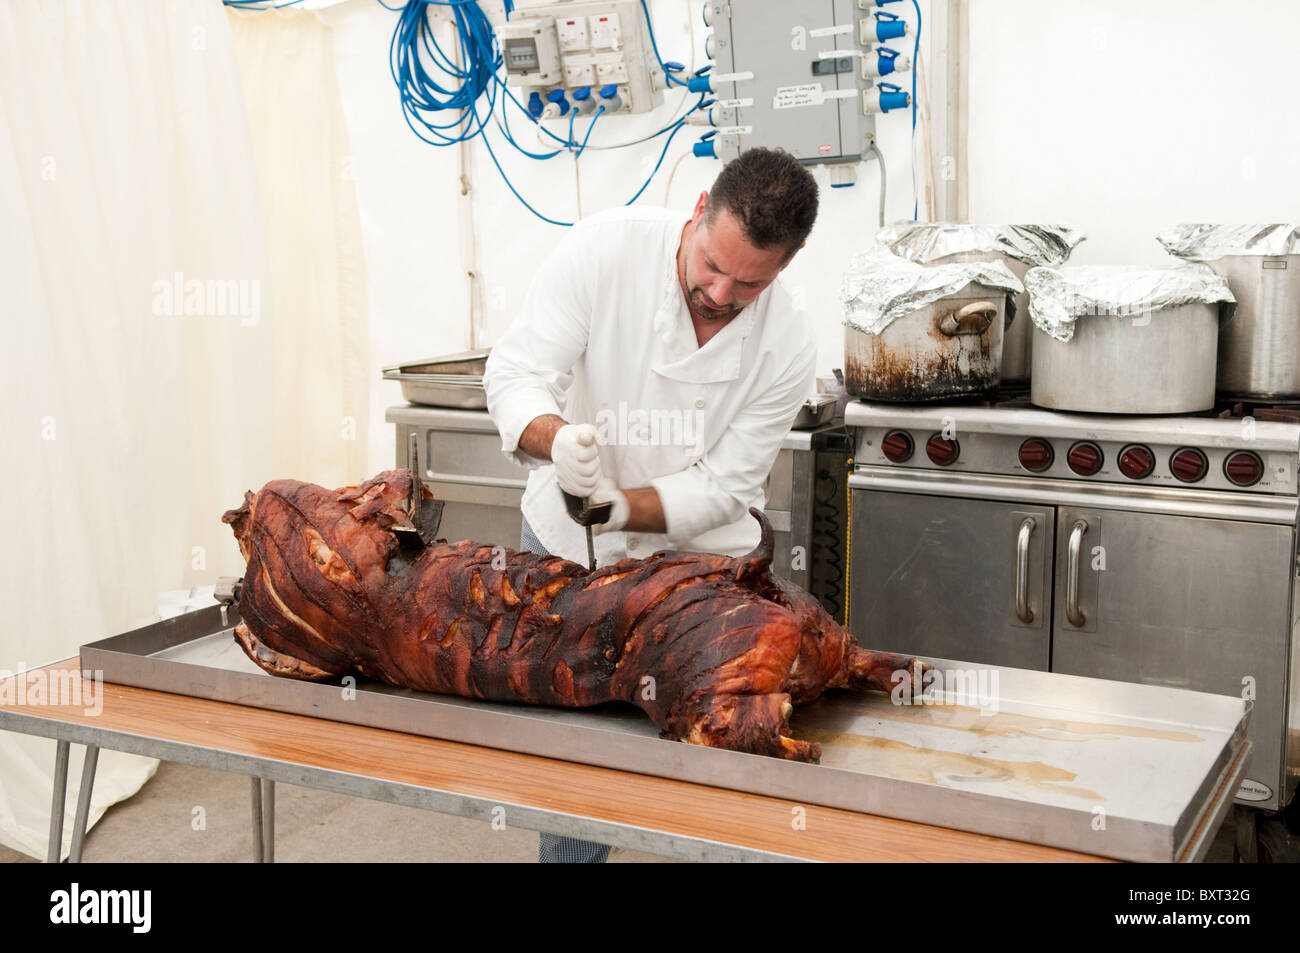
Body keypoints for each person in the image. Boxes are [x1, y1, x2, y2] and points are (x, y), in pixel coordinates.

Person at [484, 147, 820, 863]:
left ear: (784, 268)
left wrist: (618, 505)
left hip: (696, 561)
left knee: (724, 747)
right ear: (699, 210)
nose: (722, 293)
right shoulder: (605, 251)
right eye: (711, 265)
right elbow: (516, 372)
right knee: (580, 751)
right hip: (568, 545)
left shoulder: (788, 343)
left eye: (749, 283)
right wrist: (557, 440)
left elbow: (726, 485)